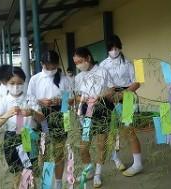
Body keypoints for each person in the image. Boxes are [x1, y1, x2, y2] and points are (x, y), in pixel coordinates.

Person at [0, 66, 45, 189]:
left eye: (19, 83)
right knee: (16, 171)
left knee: (30, 171)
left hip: (28, 136)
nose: (16, 86)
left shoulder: (30, 98)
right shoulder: (3, 101)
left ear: (24, 82)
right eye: (12, 83)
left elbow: (42, 119)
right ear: (6, 83)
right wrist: (7, 115)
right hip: (11, 138)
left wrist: (32, 112)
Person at [99, 35, 143, 177]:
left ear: (120, 47)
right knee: (113, 131)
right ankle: (116, 158)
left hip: (127, 97)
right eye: (111, 48)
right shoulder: (102, 65)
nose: (114, 50)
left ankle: (137, 163)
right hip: (110, 99)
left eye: (116, 47)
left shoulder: (129, 63)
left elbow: (138, 82)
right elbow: (101, 85)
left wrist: (123, 94)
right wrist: (109, 96)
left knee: (128, 130)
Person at [71, 47, 115, 188]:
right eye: (76, 63)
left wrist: (99, 97)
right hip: (86, 113)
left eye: (80, 61)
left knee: (101, 144)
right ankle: (88, 170)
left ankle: (98, 174)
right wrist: (82, 99)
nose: (78, 65)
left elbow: (111, 89)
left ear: (88, 58)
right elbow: (75, 95)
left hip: (102, 109)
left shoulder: (102, 71)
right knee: (84, 146)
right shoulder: (78, 77)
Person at [27, 50, 70, 189]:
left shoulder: (64, 79)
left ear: (57, 65)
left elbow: (69, 102)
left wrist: (60, 101)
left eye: (53, 68)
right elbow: (29, 100)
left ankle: (58, 184)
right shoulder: (35, 79)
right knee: (44, 152)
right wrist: (40, 101)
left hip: (59, 117)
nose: (50, 71)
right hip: (41, 117)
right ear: (41, 64)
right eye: (47, 68)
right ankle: (46, 184)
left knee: (58, 152)